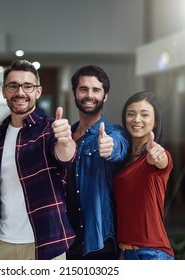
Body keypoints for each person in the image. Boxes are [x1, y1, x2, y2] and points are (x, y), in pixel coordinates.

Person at [0, 59, 76, 260]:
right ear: (4, 91)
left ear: (37, 92)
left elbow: (65, 157)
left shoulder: (50, 130)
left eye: (28, 86)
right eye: (13, 86)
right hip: (2, 245)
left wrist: (66, 142)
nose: (20, 92)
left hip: (46, 243)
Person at [65, 65, 129, 260]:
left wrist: (109, 148)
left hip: (99, 241)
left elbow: (119, 147)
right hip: (65, 239)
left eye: (96, 90)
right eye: (83, 89)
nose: (89, 95)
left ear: (105, 96)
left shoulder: (114, 133)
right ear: (74, 94)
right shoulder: (64, 137)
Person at [113, 91, 174, 260]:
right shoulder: (122, 159)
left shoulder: (158, 155)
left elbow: (162, 161)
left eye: (145, 114)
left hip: (151, 253)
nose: (136, 119)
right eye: (131, 114)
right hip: (126, 251)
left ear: (155, 122)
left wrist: (157, 157)